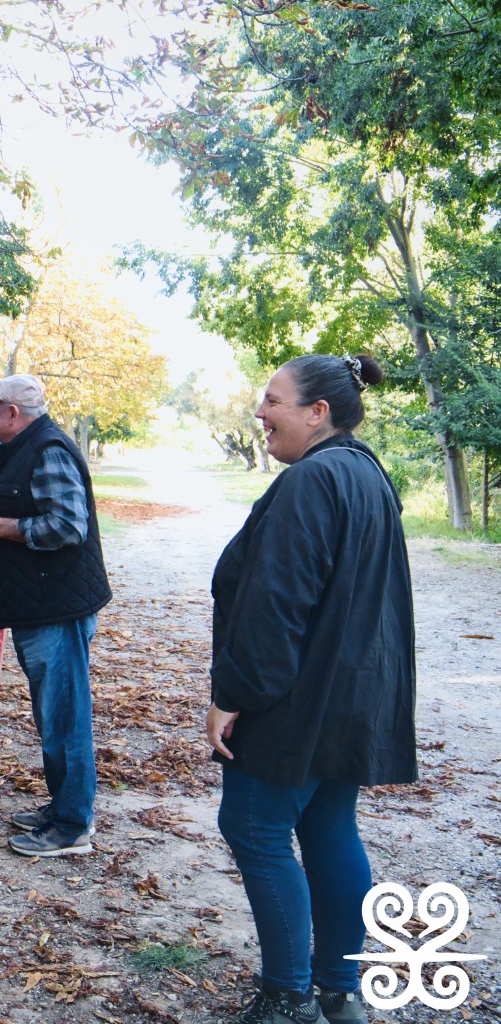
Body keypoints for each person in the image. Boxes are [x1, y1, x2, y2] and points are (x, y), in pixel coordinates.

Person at [206, 353, 415, 1024]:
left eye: (273, 401)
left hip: (297, 697)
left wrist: (233, 693)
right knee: (327, 825)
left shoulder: (312, 481)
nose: (260, 414)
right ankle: (339, 990)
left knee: (254, 826)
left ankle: (289, 995)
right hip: (348, 695)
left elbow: (276, 605)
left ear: (317, 412)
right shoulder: (367, 473)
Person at [0, 362, 111, 859]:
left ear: (13, 413)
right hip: (42, 605)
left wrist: (0, 526)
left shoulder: (50, 452)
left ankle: (74, 826)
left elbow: (67, 527)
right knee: (53, 714)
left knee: (65, 717)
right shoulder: (20, 446)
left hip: (58, 608)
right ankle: (62, 808)